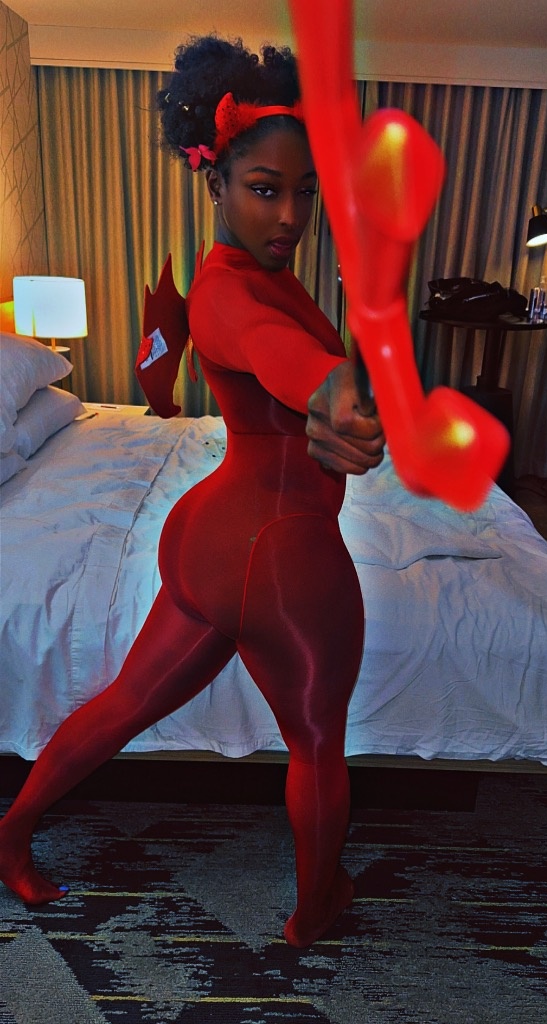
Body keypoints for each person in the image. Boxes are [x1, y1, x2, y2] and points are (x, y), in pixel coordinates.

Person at [0, 35, 384, 948]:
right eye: (264, 189)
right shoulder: (229, 294)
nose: (290, 215)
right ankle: (314, 908)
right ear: (213, 179)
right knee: (317, 744)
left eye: (305, 192)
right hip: (281, 553)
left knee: (128, 700)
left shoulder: (251, 276)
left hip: (216, 538)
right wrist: (334, 391)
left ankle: (9, 833)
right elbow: (279, 356)